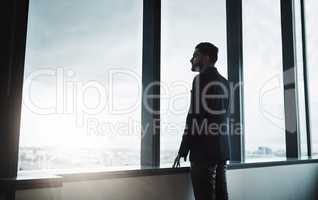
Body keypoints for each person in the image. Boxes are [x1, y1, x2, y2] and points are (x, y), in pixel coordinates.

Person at [173, 42, 230, 200]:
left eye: (195, 56)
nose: (191, 60)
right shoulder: (225, 82)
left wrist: (182, 150)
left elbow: (194, 118)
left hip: (204, 153)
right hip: (221, 151)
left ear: (205, 58)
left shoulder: (200, 80)